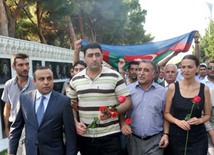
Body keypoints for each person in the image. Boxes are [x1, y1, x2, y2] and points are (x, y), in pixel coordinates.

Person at [67, 42, 132, 155]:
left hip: (110, 135)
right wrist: (76, 123)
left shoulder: (114, 76)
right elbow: (70, 105)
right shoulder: (75, 79)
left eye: (97, 55)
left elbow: (127, 101)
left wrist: (111, 112)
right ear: (84, 58)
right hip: (86, 135)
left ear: (102, 56)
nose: (94, 59)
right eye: (90, 55)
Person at [9, 66, 76, 155]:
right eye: (41, 79)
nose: (46, 82)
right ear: (34, 82)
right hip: (31, 151)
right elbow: (16, 128)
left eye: (49, 78)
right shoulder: (24, 99)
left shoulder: (63, 102)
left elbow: (70, 135)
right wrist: (11, 152)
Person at [164, 54, 211, 155]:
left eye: (190, 67)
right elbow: (166, 113)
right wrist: (177, 122)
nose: (186, 70)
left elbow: (207, 115)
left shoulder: (204, 89)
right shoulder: (173, 88)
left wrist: (199, 120)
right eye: (183, 67)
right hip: (176, 136)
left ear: (197, 68)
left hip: (198, 137)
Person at [121, 60, 169, 155]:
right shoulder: (128, 90)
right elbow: (121, 112)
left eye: (146, 70)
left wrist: (166, 134)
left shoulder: (163, 92)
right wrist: (123, 124)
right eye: (139, 70)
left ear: (154, 74)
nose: (141, 73)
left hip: (155, 141)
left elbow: (166, 115)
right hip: (133, 139)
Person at [1, 53, 36, 154]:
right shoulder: (9, 85)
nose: (25, 68)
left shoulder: (35, 83)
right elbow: (7, 107)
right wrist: (7, 128)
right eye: (21, 65)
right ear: (13, 67)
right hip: (15, 128)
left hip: (32, 128)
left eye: (27, 64)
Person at [201, 60, 214, 155]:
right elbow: (204, 114)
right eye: (210, 68)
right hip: (209, 129)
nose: (212, 70)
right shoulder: (202, 85)